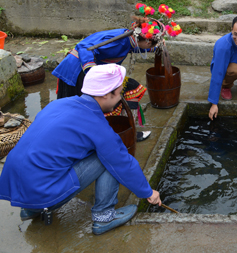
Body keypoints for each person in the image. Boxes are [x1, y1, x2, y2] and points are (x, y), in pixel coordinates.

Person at [0, 64, 162, 235]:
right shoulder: (96, 125)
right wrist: (148, 192)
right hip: (44, 192)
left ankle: (31, 209)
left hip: (16, 186)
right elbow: (122, 162)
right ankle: (104, 217)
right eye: (119, 93)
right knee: (107, 157)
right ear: (107, 94)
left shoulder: (60, 104)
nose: (120, 98)